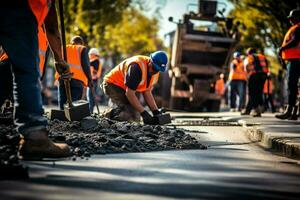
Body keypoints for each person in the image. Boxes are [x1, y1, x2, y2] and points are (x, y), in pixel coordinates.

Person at [0, 0, 72, 159]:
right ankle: (35, 137)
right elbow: (52, 27)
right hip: (20, 10)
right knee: (26, 70)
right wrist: (60, 60)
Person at [102, 51, 168, 124]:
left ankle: (120, 113)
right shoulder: (136, 67)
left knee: (136, 118)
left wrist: (155, 112)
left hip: (126, 88)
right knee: (128, 116)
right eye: (154, 68)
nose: (154, 71)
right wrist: (144, 113)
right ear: (150, 62)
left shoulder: (155, 73)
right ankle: (106, 115)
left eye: (157, 70)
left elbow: (147, 92)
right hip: (113, 84)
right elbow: (129, 94)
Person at [55, 36, 93, 110]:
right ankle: (72, 119)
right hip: (77, 79)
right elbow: (86, 65)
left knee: (62, 101)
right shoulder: (82, 48)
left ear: (72, 42)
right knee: (74, 103)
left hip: (63, 77)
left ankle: (62, 118)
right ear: (81, 43)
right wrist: (90, 79)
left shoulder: (63, 48)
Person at [275, 9, 300, 120]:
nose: (290, 20)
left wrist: (282, 48)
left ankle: (290, 111)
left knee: (292, 86)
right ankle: (294, 112)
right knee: (295, 86)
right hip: (293, 60)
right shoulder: (295, 28)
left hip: (296, 61)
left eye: (292, 17)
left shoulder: (298, 28)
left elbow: (295, 40)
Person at [242, 48, 269, 117]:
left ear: (248, 53)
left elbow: (246, 66)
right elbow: (267, 64)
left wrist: (247, 76)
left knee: (252, 93)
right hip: (263, 75)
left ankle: (256, 110)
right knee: (258, 92)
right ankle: (249, 109)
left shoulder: (249, 57)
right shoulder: (262, 56)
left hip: (254, 75)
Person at [87, 48, 102, 113]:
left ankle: (90, 112)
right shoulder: (98, 61)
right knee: (92, 96)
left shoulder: (93, 61)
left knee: (90, 97)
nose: (89, 56)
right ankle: (91, 111)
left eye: (90, 54)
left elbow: (91, 71)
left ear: (94, 54)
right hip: (95, 80)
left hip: (92, 80)